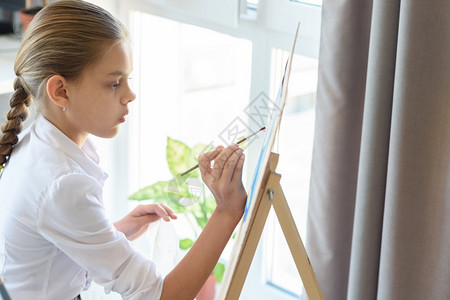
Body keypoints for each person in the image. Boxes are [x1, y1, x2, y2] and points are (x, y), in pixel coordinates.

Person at [0, 1, 247, 299]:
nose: (130, 94)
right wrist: (227, 211)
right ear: (61, 92)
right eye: (115, 83)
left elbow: (46, 250)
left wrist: (116, 230)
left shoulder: (37, 136)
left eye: (128, 79)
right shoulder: (63, 182)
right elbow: (161, 295)